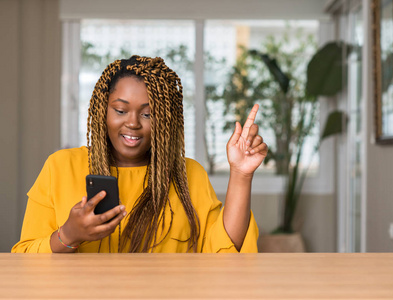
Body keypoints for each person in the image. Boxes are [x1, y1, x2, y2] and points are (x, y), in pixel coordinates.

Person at [12, 55, 268, 253]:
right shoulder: (60, 167)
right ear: (103, 111)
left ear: (166, 121)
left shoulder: (188, 175)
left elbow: (224, 250)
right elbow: (25, 258)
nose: (132, 123)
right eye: (120, 111)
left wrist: (241, 174)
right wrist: (69, 235)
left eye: (148, 114)